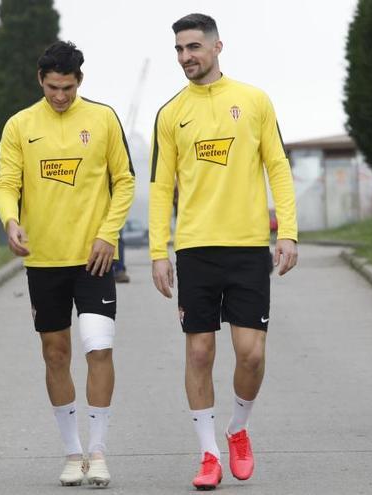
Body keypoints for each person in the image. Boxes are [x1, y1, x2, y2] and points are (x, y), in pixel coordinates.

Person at [148, 13, 298, 490]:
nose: (185, 57)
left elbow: (277, 166)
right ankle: (209, 452)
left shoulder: (253, 101)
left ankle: (238, 429)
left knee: (251, 354)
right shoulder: (171, 113)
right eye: (178, 49)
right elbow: (160, 187)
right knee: (199, 352)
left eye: (193, 47)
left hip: (249, 247)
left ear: (216, 47)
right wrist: (158, 250)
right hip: (195, 250)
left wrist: (288, 232)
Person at [0, 40, 135, 488]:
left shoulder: (103, 118)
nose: (60, 96)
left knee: (99, 347)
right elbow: (5, 182)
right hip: (45, 261)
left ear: (80, 81)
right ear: (41, 80)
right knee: (56, 354)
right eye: (53, 88)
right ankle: (72, 452)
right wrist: (11, 221)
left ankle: (98, 450)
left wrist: (107, 235)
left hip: (92, 259)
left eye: (68, 88)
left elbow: (124, 181)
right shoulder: (19, 124)